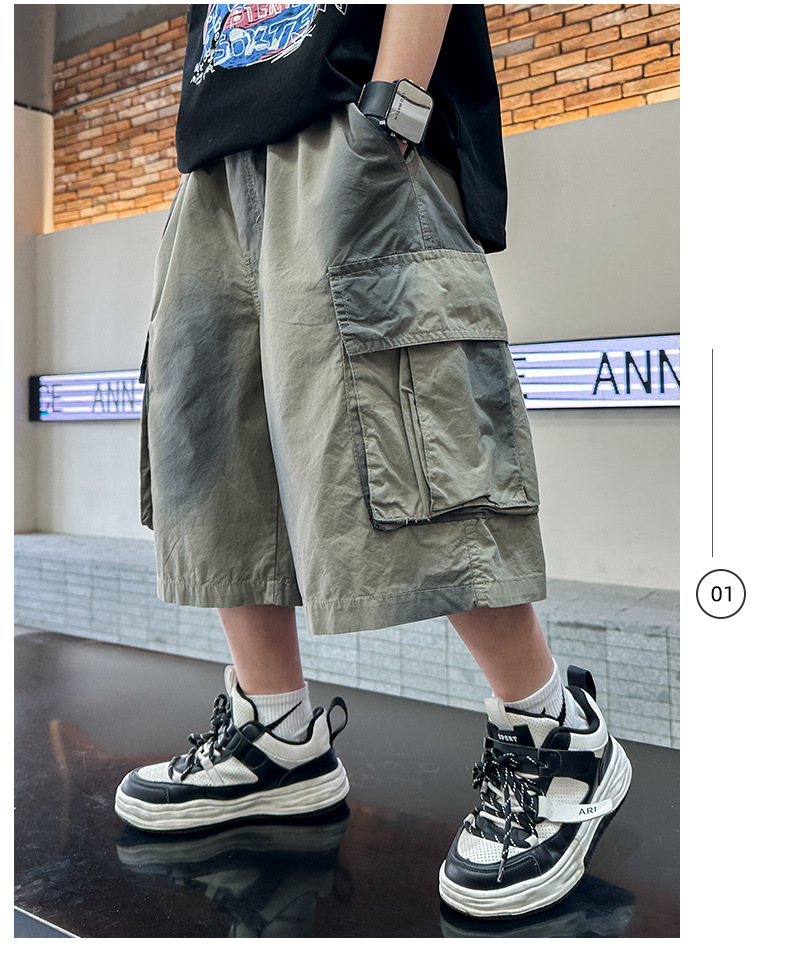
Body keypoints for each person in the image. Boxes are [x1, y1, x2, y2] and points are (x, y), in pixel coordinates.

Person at [114, 3, 632, 921]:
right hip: (217, 160)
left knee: (406, 432)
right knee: (218, 444)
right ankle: (277, 735)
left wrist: (394, 107)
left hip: (351, 118)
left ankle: (556, 730)